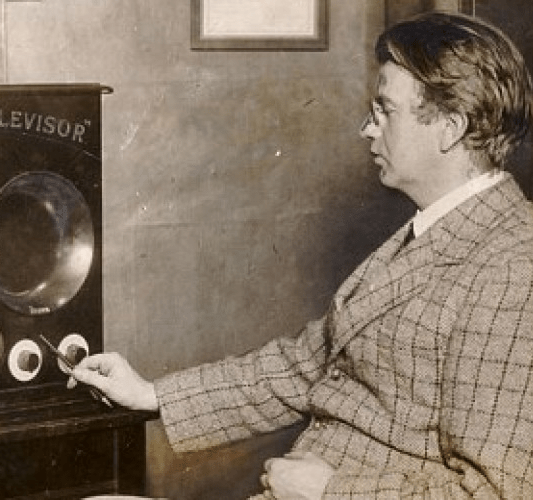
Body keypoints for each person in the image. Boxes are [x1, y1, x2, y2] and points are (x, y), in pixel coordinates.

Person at [70, 11, 533, 500]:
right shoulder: (434, 228)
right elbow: (305, 366)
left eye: (385, 111)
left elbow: (498, 493)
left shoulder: (511, 268)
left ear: (450, 128)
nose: (367, 129)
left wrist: (333, 491)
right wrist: (151, 394)